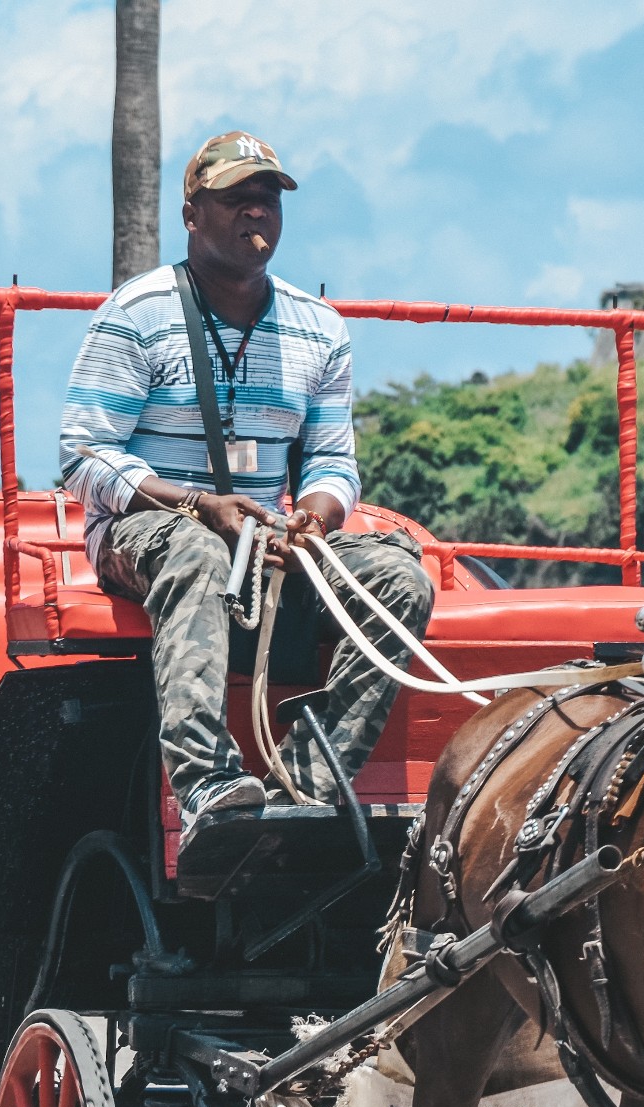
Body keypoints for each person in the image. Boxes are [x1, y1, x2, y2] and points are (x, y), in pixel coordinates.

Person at [59, 130, 435, 836]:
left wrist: (315, 520)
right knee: (197, 550)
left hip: (264, 542)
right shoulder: (136, 314)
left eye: (267, 199)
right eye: (236, 199)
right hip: (148, 529)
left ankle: (308, 788)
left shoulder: (319, 330)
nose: (256, 213)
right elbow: (85, 455)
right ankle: (209, 785)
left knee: (398, 577)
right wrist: (199, 505)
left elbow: (332, 464)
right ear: (192, 214)